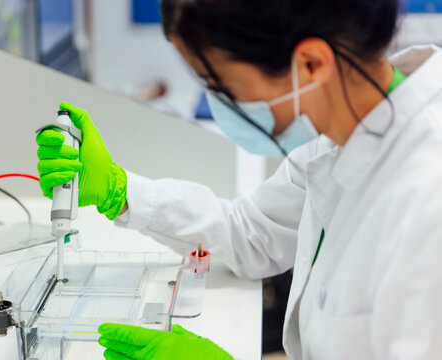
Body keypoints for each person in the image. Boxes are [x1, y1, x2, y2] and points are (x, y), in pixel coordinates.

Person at [35, 0, 442, 358]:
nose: (217, 101)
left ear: (311, 64)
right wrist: (119, 191)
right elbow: (250, 234)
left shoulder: (426, 201)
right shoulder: (338, 132)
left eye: (223, 85)